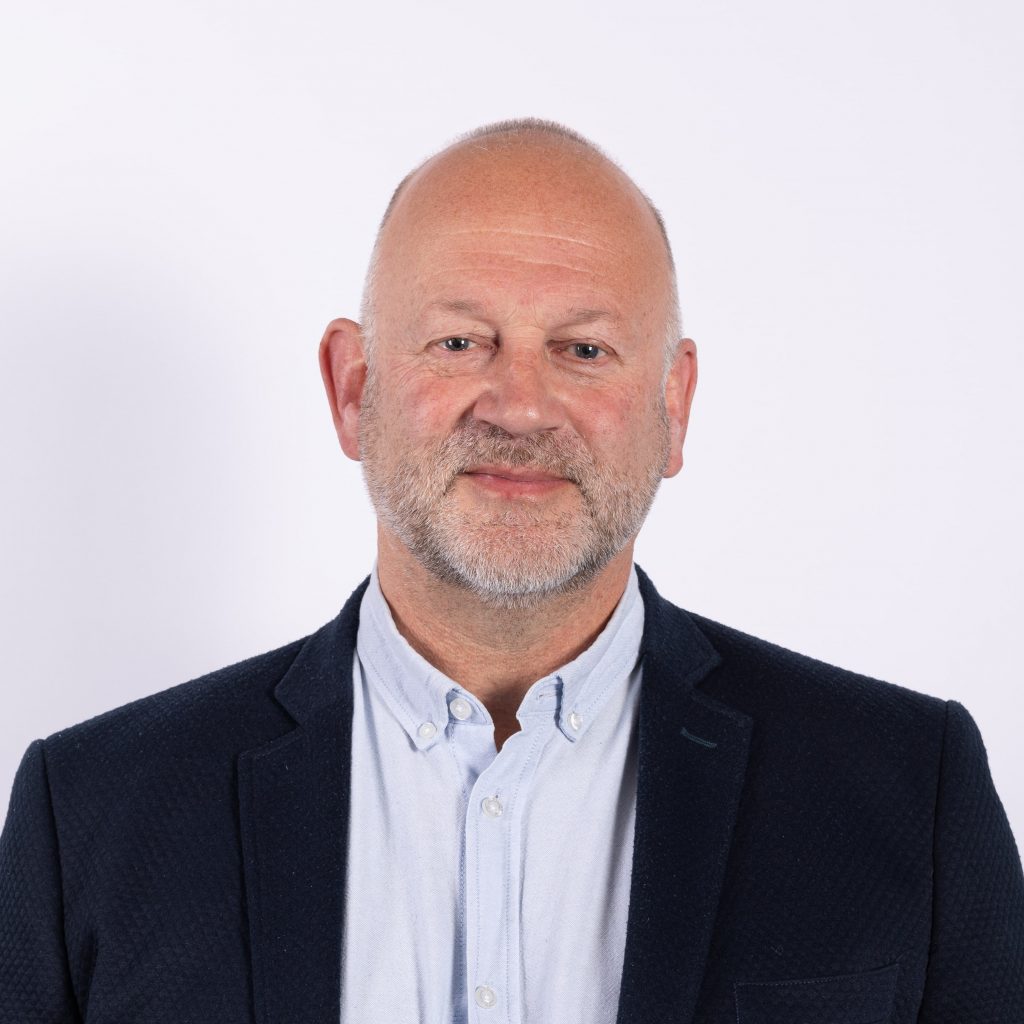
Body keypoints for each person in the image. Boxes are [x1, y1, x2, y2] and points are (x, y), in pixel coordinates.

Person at [1, 118, 1021, 1024]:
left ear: (674, 405)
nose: (520, 406)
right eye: (459, 341)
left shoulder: (908, 792)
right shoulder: (89, 815)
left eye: (583, 350)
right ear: (353, 390)